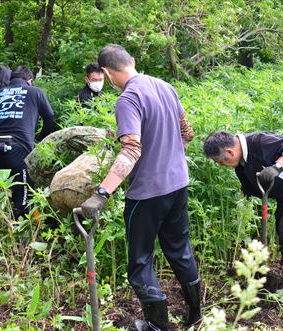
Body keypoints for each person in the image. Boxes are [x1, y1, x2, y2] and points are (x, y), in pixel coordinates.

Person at [79, 44, 198, 331]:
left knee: (140, 264)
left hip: (147, 194)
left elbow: (130, 151)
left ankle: (158, 327)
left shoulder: (128, 99)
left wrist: (102, 193)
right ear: (132, 61)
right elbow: (188, 133)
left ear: (106, 73)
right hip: (178, 184)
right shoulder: (165, 86)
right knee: (180, 250)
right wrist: (169, 157)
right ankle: (195, 316)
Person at [203, 131, 283, 292]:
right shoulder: (241, 163)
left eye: (220, 161)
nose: (221, 165)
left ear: (230, 152)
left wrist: (277, 167)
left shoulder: (259, 142)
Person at [0, 65, 55, 219]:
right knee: (22, 202)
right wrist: (40, 140)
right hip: (19, 151)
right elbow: (49, 118)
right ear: (30, 80)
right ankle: (21, 235)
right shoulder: (35, 92)